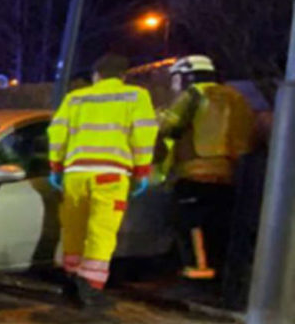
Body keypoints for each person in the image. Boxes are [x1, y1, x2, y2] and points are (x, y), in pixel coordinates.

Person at [47, 53, 159, 310]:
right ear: (123, 76)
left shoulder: (75, 98)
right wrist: (142, 171)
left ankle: (71, 281)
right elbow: (144, 134)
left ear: (96, 76)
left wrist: (56, 166)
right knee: (101, 231)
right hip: (110, 173)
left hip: (75, 174)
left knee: (73, 230)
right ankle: (91, 290)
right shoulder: (135, 96)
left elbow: (56, 132)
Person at [155, 55, 254, 281]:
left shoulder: (194, 94)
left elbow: (168, 126)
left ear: (187, 77)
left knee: (190, 224)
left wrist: (156, 114)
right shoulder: (237, 97)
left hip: (194, 171)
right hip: (229, 173)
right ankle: (218, 278)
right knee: (218, 228)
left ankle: (197, 275)